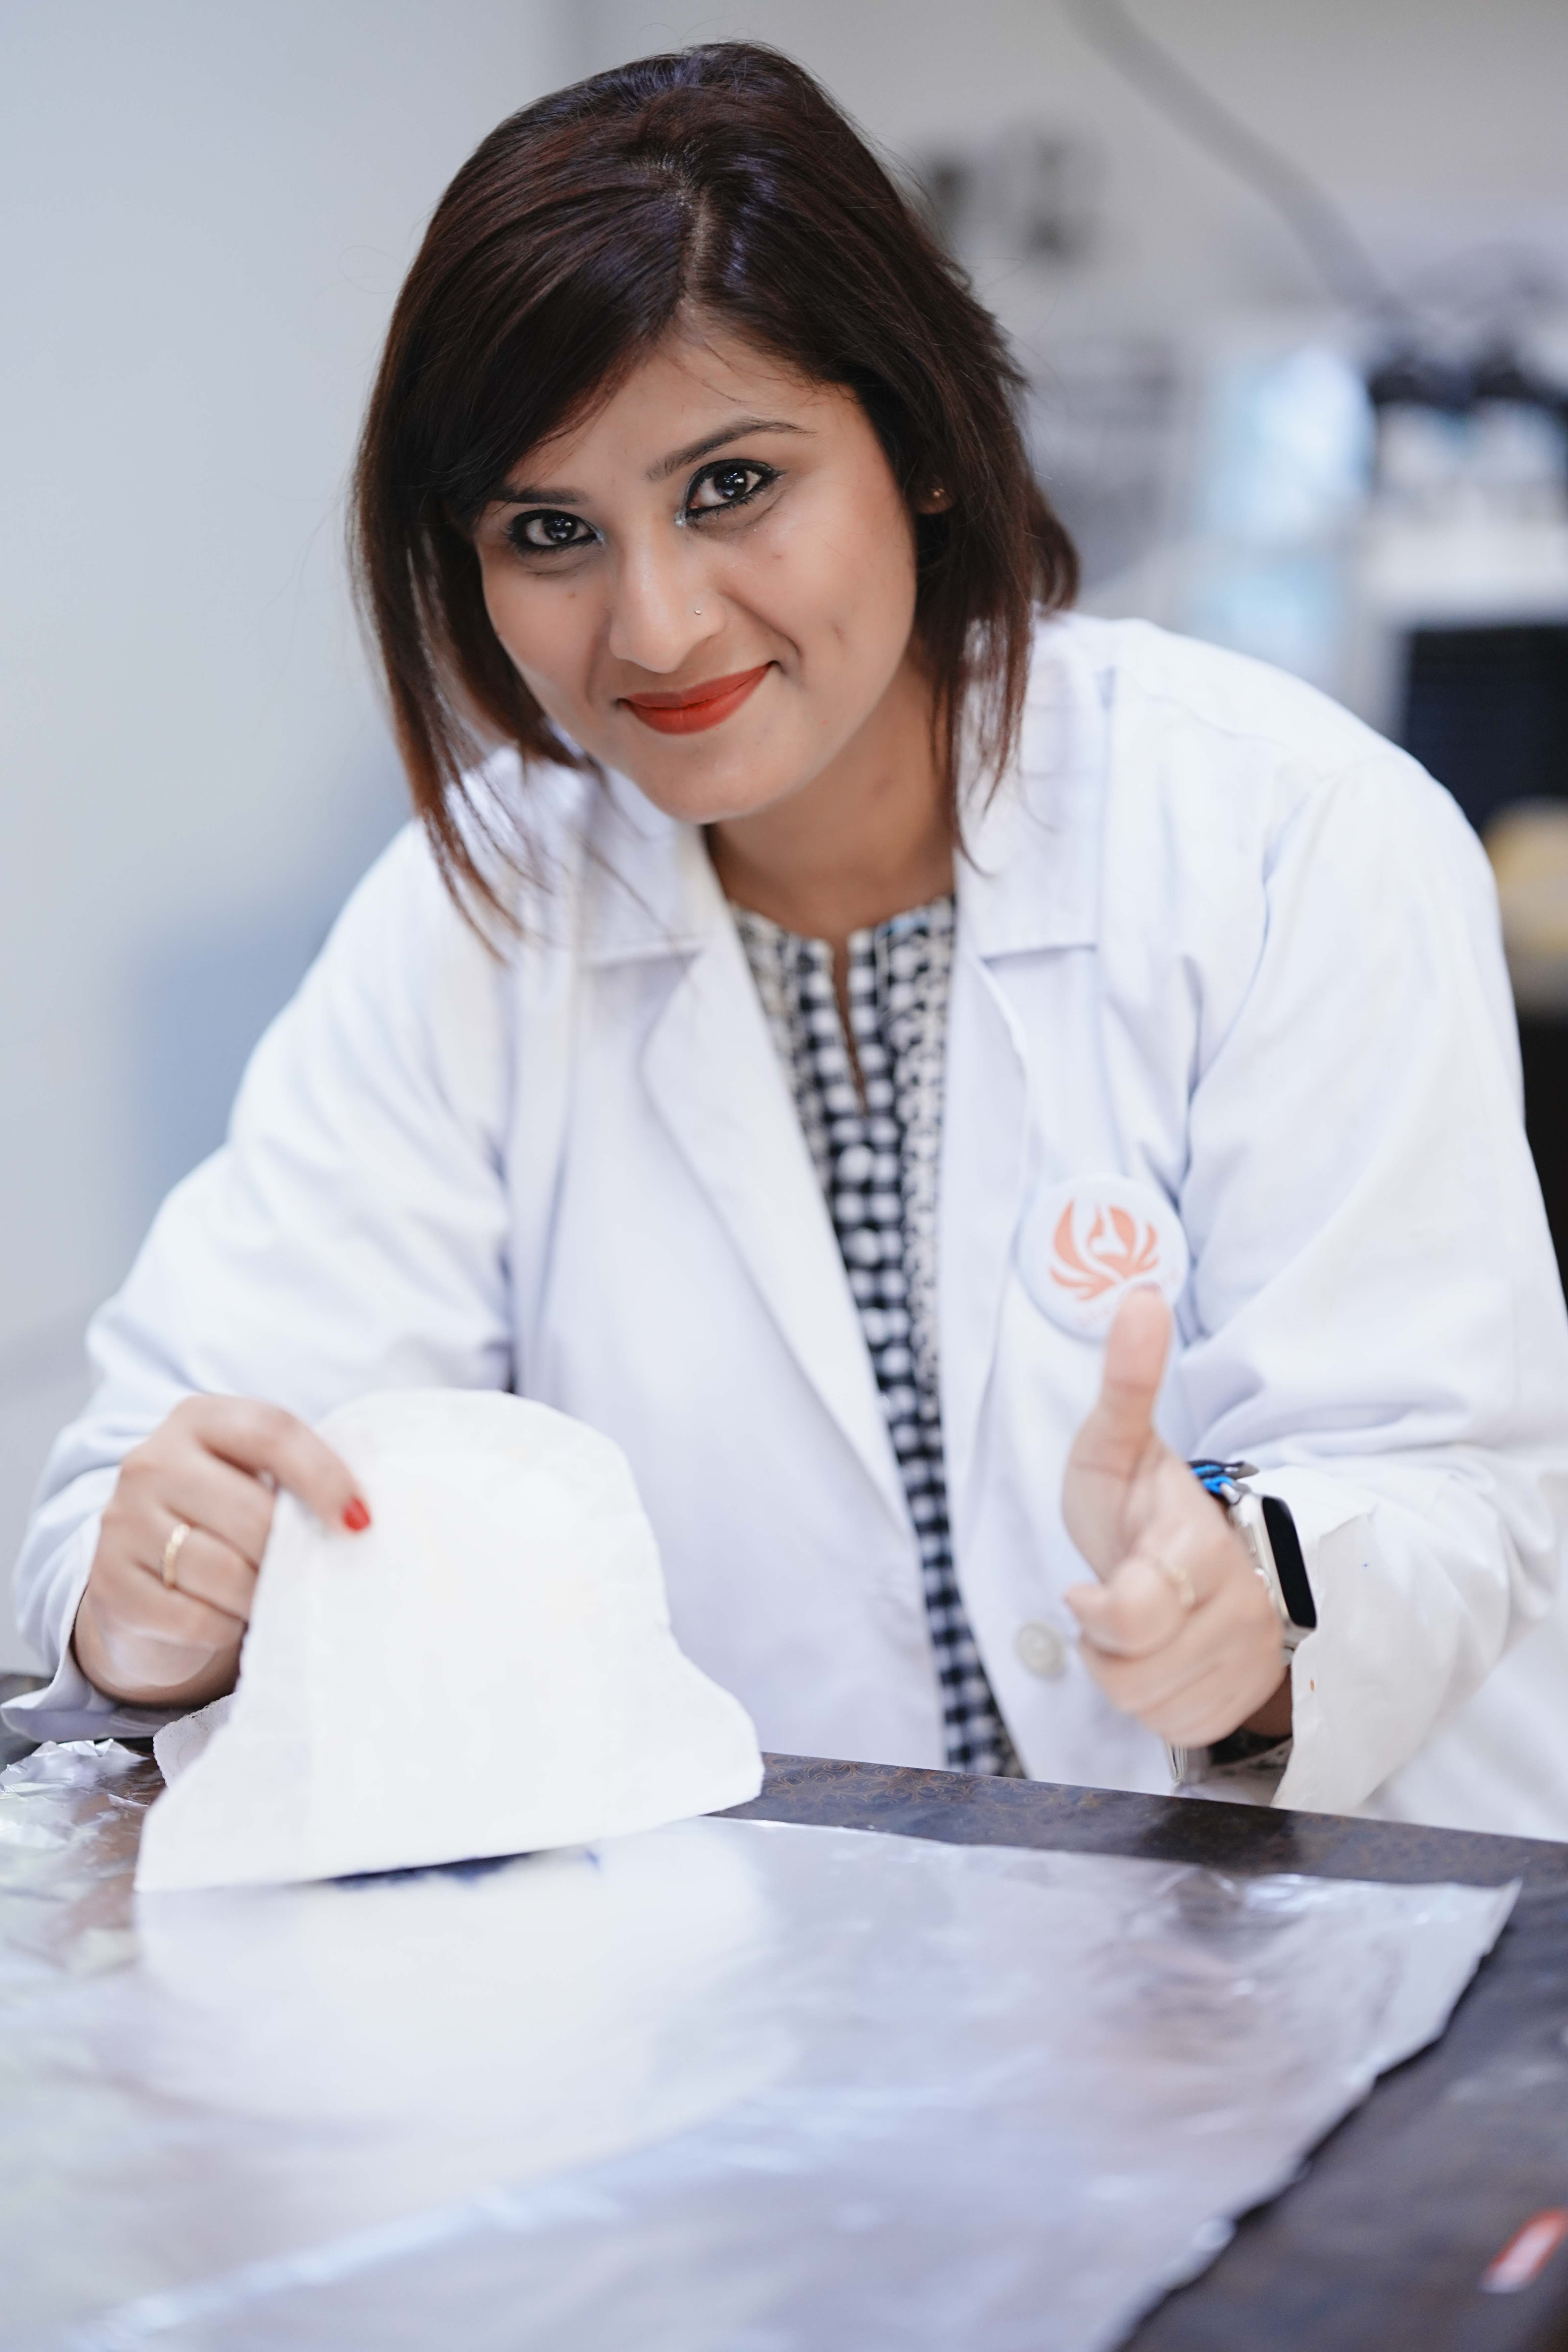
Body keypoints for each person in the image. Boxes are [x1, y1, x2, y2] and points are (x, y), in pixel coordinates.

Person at [9, 44, 1568, 1833]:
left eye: (732, 485)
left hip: (1324, 1954)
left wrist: (1257, 1603)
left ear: (913, 444)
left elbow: (1448, 1481)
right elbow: (154, 1480)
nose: (656, 623)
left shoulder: (1286, 831)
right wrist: (149, 1604)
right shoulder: (482, 912)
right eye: (550, 531)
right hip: (777, 2003)